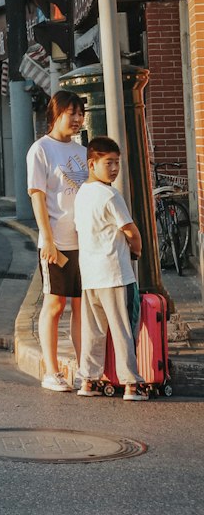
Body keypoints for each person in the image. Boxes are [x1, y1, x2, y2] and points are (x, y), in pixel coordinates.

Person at [73, 136, 147, 402]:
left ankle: (89, 381)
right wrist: (137, 250)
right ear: (92, 164)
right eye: (109, 163)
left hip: (90, 276)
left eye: (117, 163)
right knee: (123, 329)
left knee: (93, 332)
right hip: (116, 274)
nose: (115, 169)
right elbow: (131, 230)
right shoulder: (110, 195)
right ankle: (131, 385)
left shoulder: (81, 194)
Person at [27, 90, 87, 393]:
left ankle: (83, 369)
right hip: (57, 242)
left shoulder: (82, 151)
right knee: (55, 304)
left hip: (85, 243)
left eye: (80, 113)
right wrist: (47, 240)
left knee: (82, 306)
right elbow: (37, 196)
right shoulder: (41, 150)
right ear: (56, 113)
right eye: (71, 113)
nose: (77, 119)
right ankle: (51, 371)